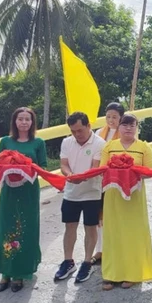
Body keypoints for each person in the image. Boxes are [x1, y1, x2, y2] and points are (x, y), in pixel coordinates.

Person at [100, 113, 152, 290]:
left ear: (137, 127)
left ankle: (131, 273)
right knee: (113, 234)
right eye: (125, 125)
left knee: (132, 235)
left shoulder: (144, 148)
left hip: (134, 198)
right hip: (113, 196)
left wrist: (131, 172)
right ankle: (110, 274)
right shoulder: (109, 147)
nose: (128, 128)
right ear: (119, 127)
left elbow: (149, 172)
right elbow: (102, 170)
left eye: (132, 125)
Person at [0, 107, 47, 293]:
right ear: (14, 122)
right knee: (6, 228)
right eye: (20, 119)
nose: (24, 122)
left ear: (32, 122)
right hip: (9, 192)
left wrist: (25, 168)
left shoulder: (38, 142)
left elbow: (42, 167)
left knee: (26, 228)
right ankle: (5, 273)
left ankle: (20, 273)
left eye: (27, 119)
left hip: (28, 192)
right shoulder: (5, 141)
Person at [54, 111, 106, 284]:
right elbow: (63, 164)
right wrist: (70, 175)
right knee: (70, 226)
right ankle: (68, 261)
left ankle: (86, 261)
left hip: (92, 192)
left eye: (80, 130)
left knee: (90, 227)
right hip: (71, 192)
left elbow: (95, 167)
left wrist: (81, 177)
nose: (77, 134)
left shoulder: (100, 143)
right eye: (73, 131)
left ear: (89, 126)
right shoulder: (67, 142)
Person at [91, 101, 125, 266]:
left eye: (115, 117)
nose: (111, 120)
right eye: (108, 116)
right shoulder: (98, 133)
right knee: (100, 215)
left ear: (121, 118)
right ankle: (100, 249)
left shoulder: (126, 132)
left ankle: (116, 248)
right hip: (101, 178)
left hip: (117, 178)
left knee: (115, 213)